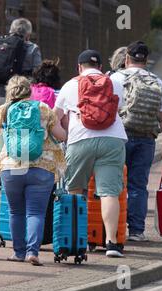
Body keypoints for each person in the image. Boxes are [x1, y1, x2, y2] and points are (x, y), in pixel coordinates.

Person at [0, 75, 66, 266]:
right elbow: (61, 135)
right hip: (42, 167)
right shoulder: (44, 108)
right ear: (30, 90)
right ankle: (32, 252)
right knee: (36, 213)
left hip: (11, 169)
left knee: (15, 212)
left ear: (9, 91)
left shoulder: (4, 110)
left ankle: (18, 252)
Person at [54, 49, 128, 258]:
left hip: (80, 140)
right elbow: (118, 109)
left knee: (76, 190)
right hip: (112, 140)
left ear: (79, 67)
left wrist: (64, 136)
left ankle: (78, 241)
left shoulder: (70, 85)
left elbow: (53, 119)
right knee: (110, 192)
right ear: (101, 67)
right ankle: (112, 243)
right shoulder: (115, 83)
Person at [110, 41, 162, 242]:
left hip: (119, 136)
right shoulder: (157, 81)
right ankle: (136, 230)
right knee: (138, 185)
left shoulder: (115, 79)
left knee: (113, 183)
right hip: (146, 139)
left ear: (126, 58)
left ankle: (114, 229)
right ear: (146, 60)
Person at [0, 18, 43, 190]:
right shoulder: (32, 49)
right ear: (28, 34)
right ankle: (19, 173)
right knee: (22, 135)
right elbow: (38, 75)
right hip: (19, 100)